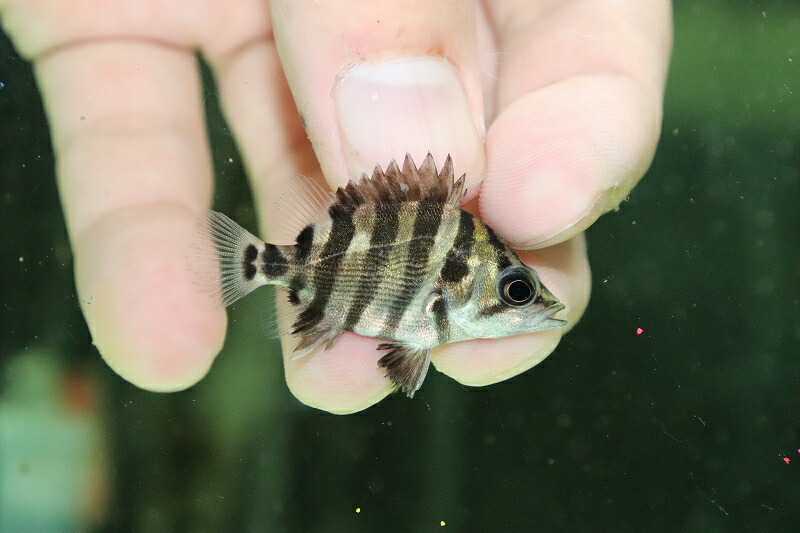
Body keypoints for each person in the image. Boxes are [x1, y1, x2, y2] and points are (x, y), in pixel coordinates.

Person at [0, 1, 672, 413]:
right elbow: (406, 344)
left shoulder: (441, 292)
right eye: (517, 289)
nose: (528, 300)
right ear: (456, 285)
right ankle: (258, 265)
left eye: (520, 288)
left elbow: (403, 348)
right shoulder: (439, 284)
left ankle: (262, 266)